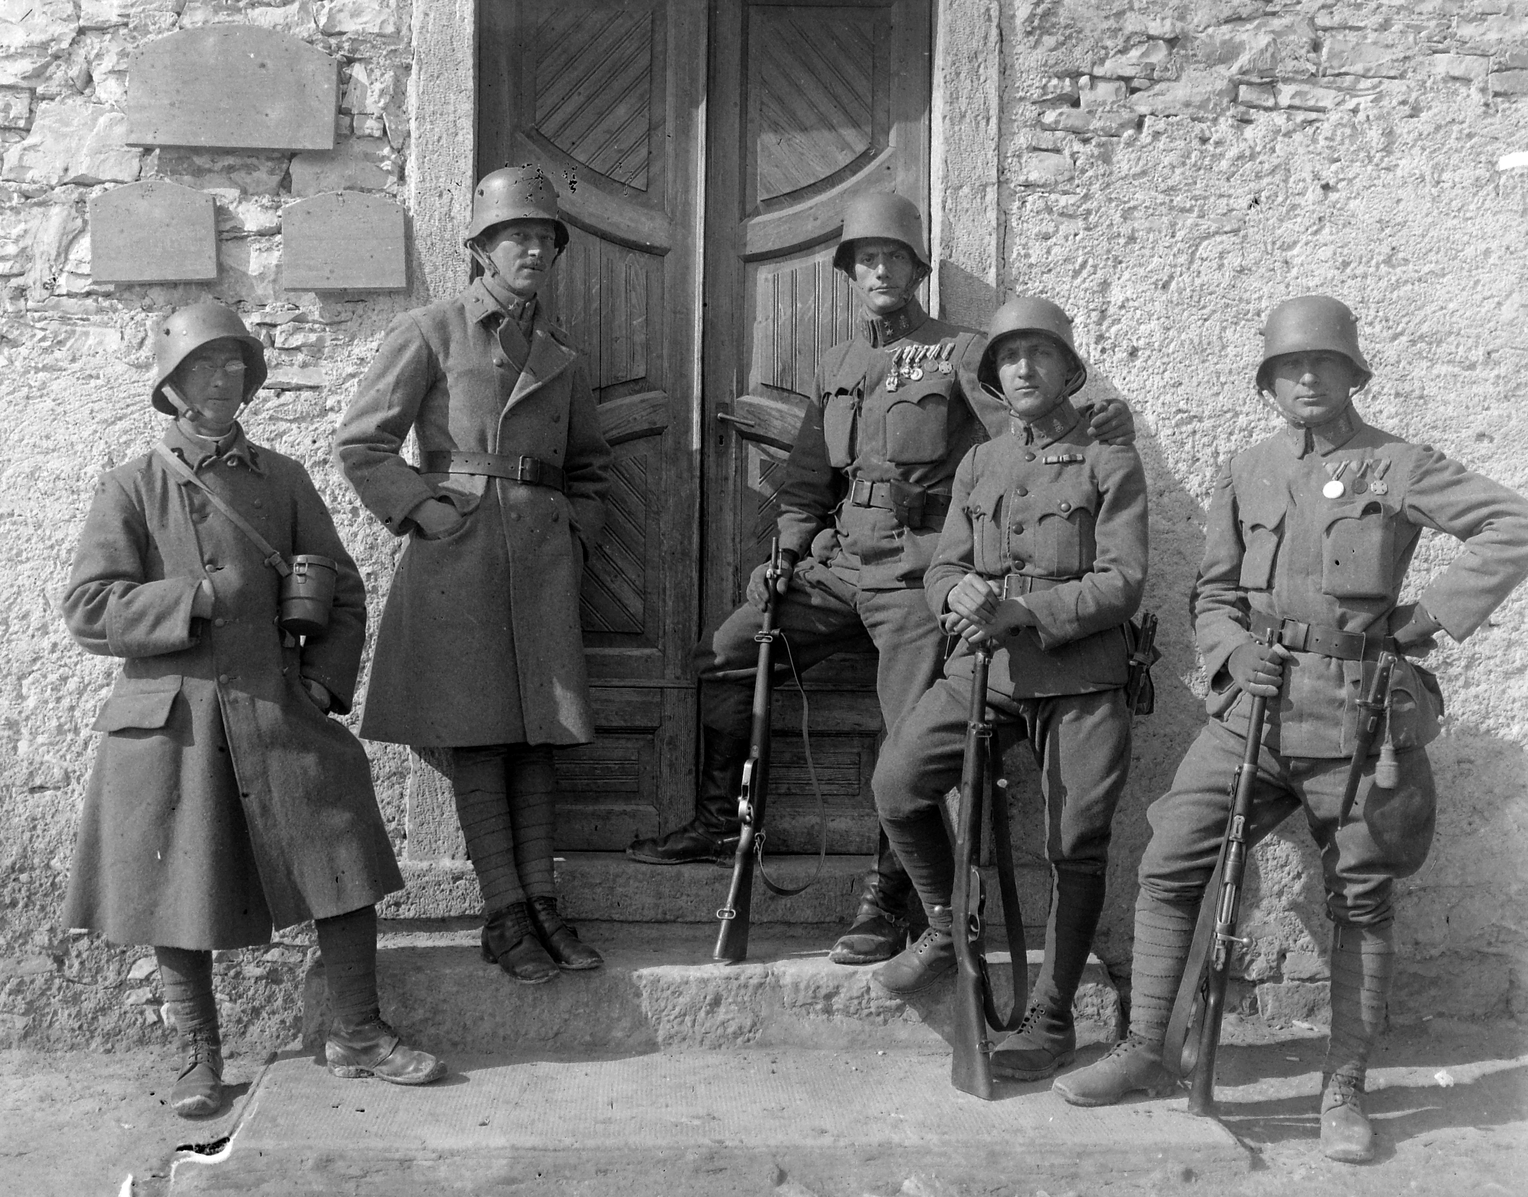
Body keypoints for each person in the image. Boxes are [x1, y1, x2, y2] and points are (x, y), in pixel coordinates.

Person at [1052, 296, 1528, 1163]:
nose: (1306, 379)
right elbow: (1214, 595)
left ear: (1353, 373)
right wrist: (1232, 654)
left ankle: (1343, 1086)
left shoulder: (1398, 465)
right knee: (1170, 857)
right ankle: (1148, 1046)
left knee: (1363, 894)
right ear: (1268, 384)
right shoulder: (1249, 469)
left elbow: (1513, 523)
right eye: (1288, 368)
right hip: (1256, 711)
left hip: (1359, 716)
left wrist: (1427, 618)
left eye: (1323, 364)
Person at [627, 193, 1135, 966]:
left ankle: (891, 898)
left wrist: (1104, 420)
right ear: (849, 274)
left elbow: (1027, 440)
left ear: (917, 269)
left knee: (908, 741)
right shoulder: (836, 364)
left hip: (916, 574)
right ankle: (724, 818)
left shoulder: (965, 353)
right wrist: (786, 557)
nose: (879, 271)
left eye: (893, 258)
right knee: (725, 654)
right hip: (835, 567)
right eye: (865, 260)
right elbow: (805, 478)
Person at [62, 302, 445, 1120]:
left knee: (340, 844)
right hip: (177, 717)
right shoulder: (133, 485)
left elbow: (341, 585)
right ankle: (199, 1055)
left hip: (275, 700)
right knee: (180, 881)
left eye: (237, 365)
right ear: (172, 386)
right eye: (207, 367)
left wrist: (321, 684)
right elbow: (90, 608)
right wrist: (193, 599)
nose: (225, 379)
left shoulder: (284, 479)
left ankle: (359, 1031)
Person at [336, 166, 612, 985]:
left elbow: (594, 469)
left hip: (539, 566)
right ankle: (504, 910)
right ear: (481, 249)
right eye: (514, 236)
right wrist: (425, 511)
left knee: (537, 740)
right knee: (476, 735)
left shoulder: (561, 355)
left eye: (543, 238)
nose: (531, 248)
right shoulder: (433, 329)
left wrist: (575, 534)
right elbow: (362, 443)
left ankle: (543, 904)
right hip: (458, 561)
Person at [866, 296, 1148, 1087]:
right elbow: (944, 565)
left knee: (1074, 844)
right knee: (896, 783)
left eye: (1039, 355)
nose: (1023, 368)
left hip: (1080, 674)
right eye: (1009, 358)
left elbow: (1123, 581)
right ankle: (946, 920)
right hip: (985, 673)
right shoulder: (981, 462)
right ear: (995, 375)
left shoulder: (1107, 456)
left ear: (1067, 370)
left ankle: (1052, 1017)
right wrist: (954, 594)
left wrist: (1025, 608)